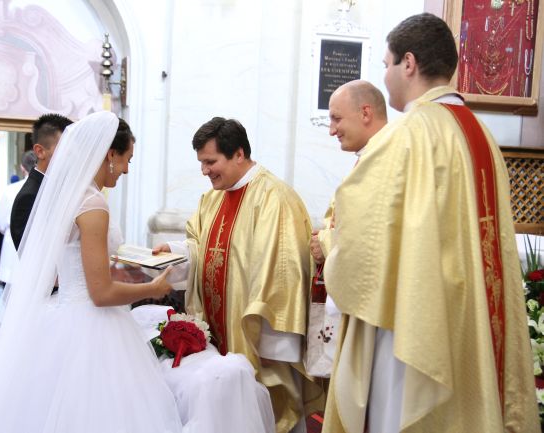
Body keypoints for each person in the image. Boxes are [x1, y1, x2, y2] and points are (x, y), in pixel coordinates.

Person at [0, 112, 183, 433]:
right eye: (127, 158)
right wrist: (153, 288)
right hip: (91, 325)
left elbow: (75, 263)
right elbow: (101, 294)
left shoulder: (68, 196)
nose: (127, 168)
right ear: (110, 155)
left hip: (64, 314)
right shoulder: (94, 205)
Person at [321, 13, 539, 433]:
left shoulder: (406, 134)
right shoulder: (481, 135)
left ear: (408, 63)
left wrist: (330, 247)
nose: (385, 76)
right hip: (470, 317)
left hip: (412, 325)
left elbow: (364, 241)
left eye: (386, 64)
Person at [154, 117, 323, 433]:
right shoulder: (213, 198)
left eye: (210, 162)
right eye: (201, 162)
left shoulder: (275, 199)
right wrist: (174, 253)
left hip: (259, 343)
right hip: (220, 339)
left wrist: (274, 347)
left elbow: (282, 276)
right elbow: (202, 247)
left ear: (239, 154)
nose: (204, 171)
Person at [309, 79, 388, 267]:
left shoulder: (385, 160)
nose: (331, 130)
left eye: (337, 118)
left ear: (365, 113)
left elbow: (376, 233)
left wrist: (326, 243)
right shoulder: (372, 156)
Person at [10, 113, 72, 249]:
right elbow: (28, 251)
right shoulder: (29, 196)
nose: (71, 155)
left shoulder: (58, 185)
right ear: (40, 151)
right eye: (65, 149)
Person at [0, 150, 37, 286]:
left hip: (11, 246)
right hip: (37, 251)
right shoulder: (45, 189)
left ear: (22, 168)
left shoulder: (10, 190)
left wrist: (8, 230)